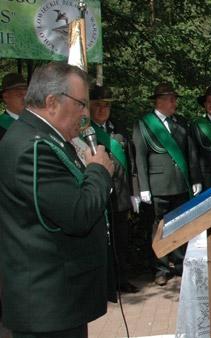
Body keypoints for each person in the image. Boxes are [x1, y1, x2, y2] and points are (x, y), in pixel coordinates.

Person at [0, 62, 114, 338]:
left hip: (57, 303)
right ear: (52, 102)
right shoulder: (34, 148)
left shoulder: (43, 137)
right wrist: (99, 171)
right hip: (48, 306)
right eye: (80, 104)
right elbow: (78, 214)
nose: (85, 113)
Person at [133, 83, 202, 286]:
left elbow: (191, 154)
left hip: (180, 183)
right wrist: (143, 186)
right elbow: (140, 156)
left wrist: (195, 179)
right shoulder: (144, 124)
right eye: (171, 99)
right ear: (159, 101)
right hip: (158, 185)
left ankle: (180, 262)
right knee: (159, 227)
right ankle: (161, 267)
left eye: (174, 98)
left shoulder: (180, 122)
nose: (174, 102)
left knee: (180, 223)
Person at [89, 85, 139, 294]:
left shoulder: (119, 131)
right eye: (98, 105)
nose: (102, 110)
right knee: (100, 243)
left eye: (106, 106)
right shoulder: (86, 132)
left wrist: (135, 192)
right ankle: (103, 282)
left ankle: (121, 279)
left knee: (121, 241)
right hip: (98, 196)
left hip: (119, 196)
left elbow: (133, 164)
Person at [0, 73, 28, 141]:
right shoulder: (1, 125)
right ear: (6, 97)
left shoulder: (36, 122)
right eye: (19, 94)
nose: (25, 98)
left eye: (27, 93)